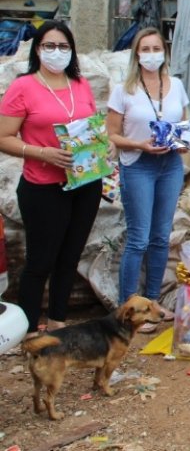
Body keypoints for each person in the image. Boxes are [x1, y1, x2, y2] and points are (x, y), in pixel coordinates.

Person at [0, 21, 101, 337]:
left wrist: (104, 144)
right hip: (43, 187)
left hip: (85, 184)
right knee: (40, 261)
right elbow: (4, 136)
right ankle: (29, 331)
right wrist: (42, 153)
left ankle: (58, 324)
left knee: (70, 258)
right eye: (49, 46)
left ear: (72, 51)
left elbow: (92, 126)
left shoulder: (80, 84)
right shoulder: (24, 87)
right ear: (37, 49)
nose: (57, 52)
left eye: (63, 47)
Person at [106, 28, 190, 330]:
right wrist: (140, 144)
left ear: (164, 52)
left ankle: (152, 303)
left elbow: (184, 121)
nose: (151, 54)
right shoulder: (124, 90)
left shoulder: (177, 85)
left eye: (157, 48)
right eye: (146, 48)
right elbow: (112, 134)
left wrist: (183, 141)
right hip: (138, 163)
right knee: (138, 238)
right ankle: (128, 307)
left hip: (169, 165)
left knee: (160, 237)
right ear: (136, 53)